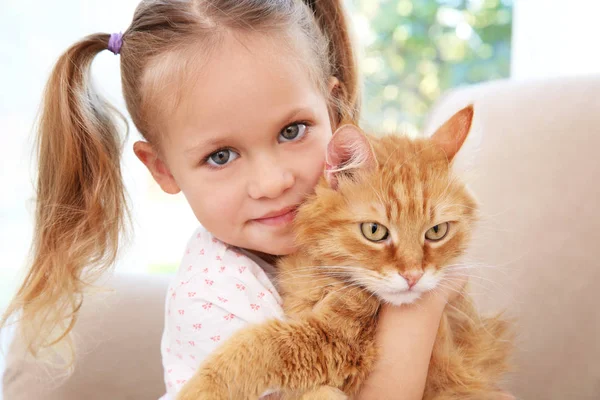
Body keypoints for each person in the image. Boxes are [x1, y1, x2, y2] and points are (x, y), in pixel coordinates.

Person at [0, 1, 468, 399]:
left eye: (292, 131)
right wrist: (423, 306)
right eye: (220, 155)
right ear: (163, 169)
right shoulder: (214, 294)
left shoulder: (357, 212)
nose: (271, 182)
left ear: (334, 111)